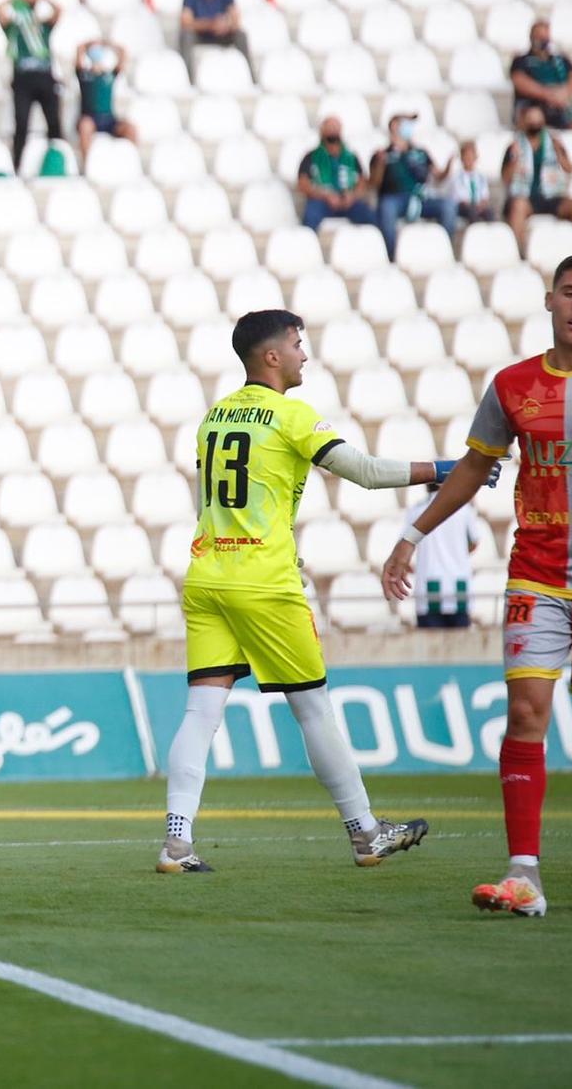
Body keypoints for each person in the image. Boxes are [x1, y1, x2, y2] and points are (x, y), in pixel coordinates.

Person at [383, 253, 572, 917]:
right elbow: (471, 470)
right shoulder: (513, 385)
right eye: (570, 293)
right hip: (536, 574)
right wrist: (412, 534)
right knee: (524, 714)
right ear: (549, 300)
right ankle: (524, 874)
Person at [160, 308, 455, 874]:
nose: (304, 354)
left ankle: (176, 840)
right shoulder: (290, 415)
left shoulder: (214, 417)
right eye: (297, 344)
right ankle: (366, 832)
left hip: (206, 577)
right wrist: (443, 467)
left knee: (200, 712)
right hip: (264, 583)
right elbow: (364, 471)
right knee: (314, 708)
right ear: (271, 356)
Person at [503, 103, 572, 254]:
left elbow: (569, 169)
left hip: (551, 195)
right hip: (526, 197)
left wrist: (560, 153)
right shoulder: (515, 145)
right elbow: (506, 179)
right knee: (518, 206)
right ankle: (519, 254)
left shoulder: (553, 143)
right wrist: (513, 159)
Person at [371, 112, 456, 258]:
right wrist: (380, 164)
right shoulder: (382, 154)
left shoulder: (421, 152)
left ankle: (444, 252)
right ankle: (391, 257)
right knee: (386, 208)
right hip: (394, 199)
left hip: (420, 199)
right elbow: (374, 184)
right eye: (405, 123)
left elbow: (439, 177)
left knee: (448, 205)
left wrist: (449, 165)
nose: (409, 127)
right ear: (394, 126)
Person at [398, 485, 483, 629]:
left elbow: (403, 549)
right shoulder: (464, 510)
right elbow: (474, 543)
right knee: (461, 647)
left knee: (431, 649)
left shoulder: (417, 510)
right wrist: (457, 553)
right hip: (459, 588)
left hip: (428, 589)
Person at [0, 0, 63, 175]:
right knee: (21, 122)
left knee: (54, 122)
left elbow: (59, 10)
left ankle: (57, 160)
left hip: (45, 76)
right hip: (23, 78)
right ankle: (17, 164)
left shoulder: (42, 26)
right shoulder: (14, 28)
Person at [297, 117, 377, 234]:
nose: (333, 131)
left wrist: (352, 196)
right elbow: (303, 184)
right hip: (322, 201)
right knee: (310, 215)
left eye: (335, 127)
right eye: (329, 127)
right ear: (322, 131)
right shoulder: (311, 156)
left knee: (370, 216)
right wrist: (325, 195)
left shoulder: (351, 157)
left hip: (348, 200)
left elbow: (362, 182)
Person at [512, 20, 572, 135]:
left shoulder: (560, 60)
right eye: (538, 37)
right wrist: (548, 95)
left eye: (544, 37)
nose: (542, 41)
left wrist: (564, 93)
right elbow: (520, 81)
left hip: (559, 107)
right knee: (534, 117)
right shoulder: (521, 61)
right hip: (533, 106)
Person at [179, 0, 251, 75]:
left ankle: (250, 75)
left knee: (241, 35)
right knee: (186, 36)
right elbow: (186, 22)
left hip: (222, 34)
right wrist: (209, 24)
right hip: (200, 35)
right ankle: (187, 77)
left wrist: (226, 24)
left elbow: (235, 17)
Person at [75, 40, 135, 158]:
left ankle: (130, 160)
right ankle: (87, 163)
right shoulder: (84, 75)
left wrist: (108, 43)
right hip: (90, 118)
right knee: (84, 126)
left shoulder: (110, 75)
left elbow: (123, 53)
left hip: (109, 119)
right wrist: (90, 44)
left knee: (131, 129)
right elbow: (79, 49)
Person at [439, 139, 496, 224]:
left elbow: (485, 196)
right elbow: (459, 198)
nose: (469, 159)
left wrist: (481, 205)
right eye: (466, 156)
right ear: (462, 158)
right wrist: (473, 206)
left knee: (490, 213)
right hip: (464, 207)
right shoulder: (456, 177)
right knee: (472, 212)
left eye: (471, 156)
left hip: (478, 206)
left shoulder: (481, 177)